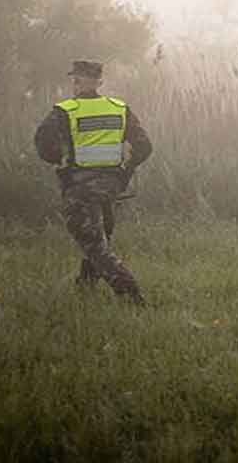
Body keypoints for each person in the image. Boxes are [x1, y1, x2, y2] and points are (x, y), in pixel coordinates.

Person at [34, 60, 153, 304]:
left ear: (78, 82)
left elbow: (42, 144)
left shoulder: (65, 110)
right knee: (99, 238)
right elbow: (144, 147)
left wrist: (61, 160)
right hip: (111, 187)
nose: (74, 84)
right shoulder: (119, 108)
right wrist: (124, 172)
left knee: (95, 245)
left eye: (75, 80)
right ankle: (85, 289)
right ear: (99, 82)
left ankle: (132, 294)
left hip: (80, 188)